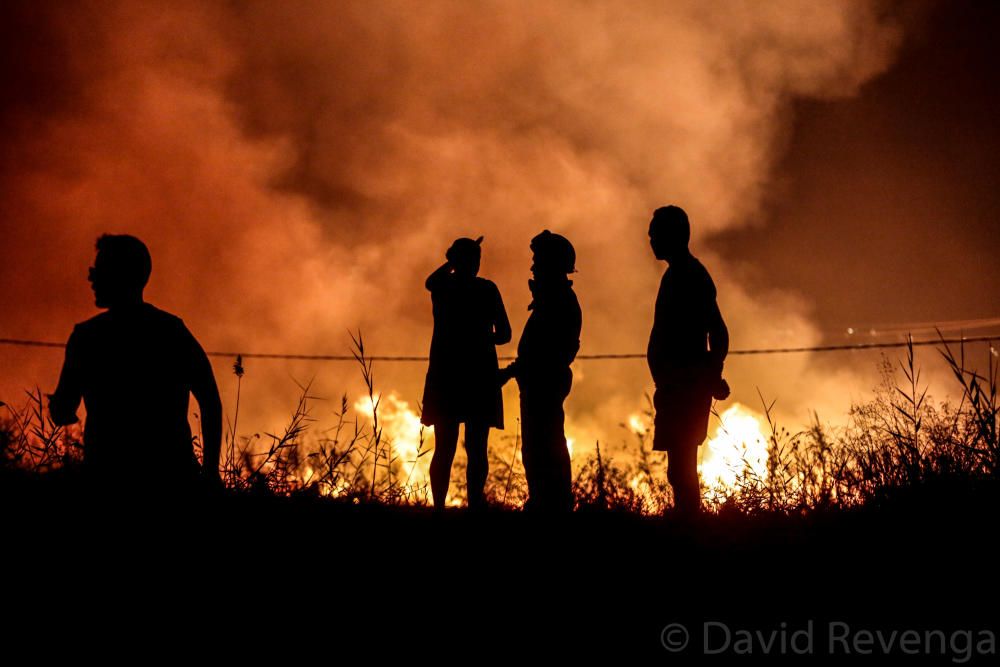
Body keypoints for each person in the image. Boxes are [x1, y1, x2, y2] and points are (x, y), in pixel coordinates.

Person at [48, 234, 222, 492]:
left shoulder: (87, 337)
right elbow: (210, 401)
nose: (91, 278)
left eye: (98, 271)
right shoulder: (172, 331)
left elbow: (62, 410)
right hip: (173, 477)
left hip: (108, 478)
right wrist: (209, 471)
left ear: (119, 276)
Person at [647, 205, 729, 515]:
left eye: (656, 233)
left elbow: (718, 331)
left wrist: (710, 373)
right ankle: (687, 522)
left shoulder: (690, 275)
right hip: (674, 386)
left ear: (673, 235)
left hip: (685, 388)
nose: (651, 239)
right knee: (678, 466)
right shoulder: (677, 274)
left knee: (682, 465)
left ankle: (689, 525)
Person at [421, 236, 511, 510]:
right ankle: (475, 506)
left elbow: (430, 281)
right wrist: (483, 338)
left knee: (444, 448)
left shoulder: (443, 287)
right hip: (480, 375)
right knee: (476, 448)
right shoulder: (487, 289)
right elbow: (505, 335)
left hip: (446, 374)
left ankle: (439, 508)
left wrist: (452, 261)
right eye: (474, 258)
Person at [500, 230, 581, 512]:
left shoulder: (558, 303)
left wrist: (510, 371)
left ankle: (551, 505)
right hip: (539, 382)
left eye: (538, 260)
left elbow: (543, 352)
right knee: (540, 445)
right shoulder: (554, 300)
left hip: (543, 383)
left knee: (543, 446)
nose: (533, 266)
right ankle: (548, 502)